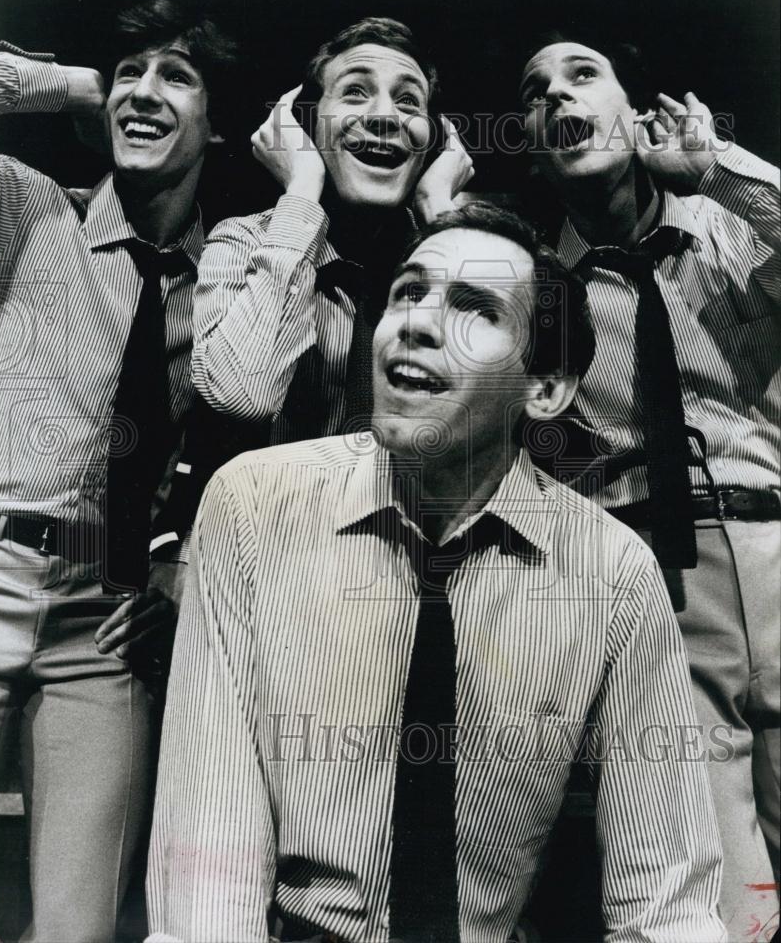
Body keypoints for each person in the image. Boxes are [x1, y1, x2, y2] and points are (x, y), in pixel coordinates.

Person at [146, 203, 724, 943]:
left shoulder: (612, 574)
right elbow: (208, 874)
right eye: (407, 293)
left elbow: (666, 904)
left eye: (473, 308)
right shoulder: (254, 504)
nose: (416, 323)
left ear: (544, 388)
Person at [518, 34, 780, 940]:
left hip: (774, 541)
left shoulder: (730, 221)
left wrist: (716, 171)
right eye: (535, 92)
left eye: (581, 76)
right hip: (654, 583)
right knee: (729, 902)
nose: (556, 97)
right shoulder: (535, 284)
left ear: (634, 113)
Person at [0, 0, 236, 942]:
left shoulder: (231, 267)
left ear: (220, 124)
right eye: (130, 73)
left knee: (79, 927)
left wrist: (178, 571)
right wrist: (77, 85)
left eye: (176, 76)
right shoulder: (21, 205)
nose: (144, 91)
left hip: (110, 613)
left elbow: (253, 429)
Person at [192, 16, 474, 448]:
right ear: (307, 129)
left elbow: (498, 404)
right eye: (355, 92)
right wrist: (303, 186)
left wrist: (440, 213)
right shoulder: (244, 242)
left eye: (408, 102)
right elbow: (243, 396)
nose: (384, 116)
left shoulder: (447, 247)